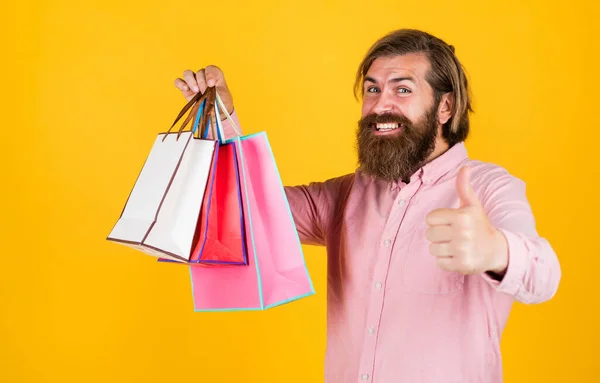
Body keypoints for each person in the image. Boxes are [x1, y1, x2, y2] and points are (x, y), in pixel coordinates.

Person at [174, 29, 561, 383]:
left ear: (445, 108)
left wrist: (496, 251)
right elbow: (250, 210)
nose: (380, 106)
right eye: (373, 90)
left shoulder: (489, 188)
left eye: (403, 90)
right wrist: (219, 118)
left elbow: (545, 277)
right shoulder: (348, 194)